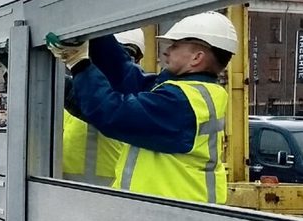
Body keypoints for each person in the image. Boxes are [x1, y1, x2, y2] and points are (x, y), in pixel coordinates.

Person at [67, 12, 236, 204]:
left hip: (170, 217)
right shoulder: (186, 92)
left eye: (175, 45)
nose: (167, 51)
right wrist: (93, 32)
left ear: (196, 58)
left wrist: (79, 64)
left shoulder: (181, 102)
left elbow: (112, 113)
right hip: (165, 211)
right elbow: (124, 76)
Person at [60, 30, 145, 186]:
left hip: (109, 190)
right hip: (64, 184)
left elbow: (89, 103)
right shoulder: (84, 83)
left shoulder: (133, 92)